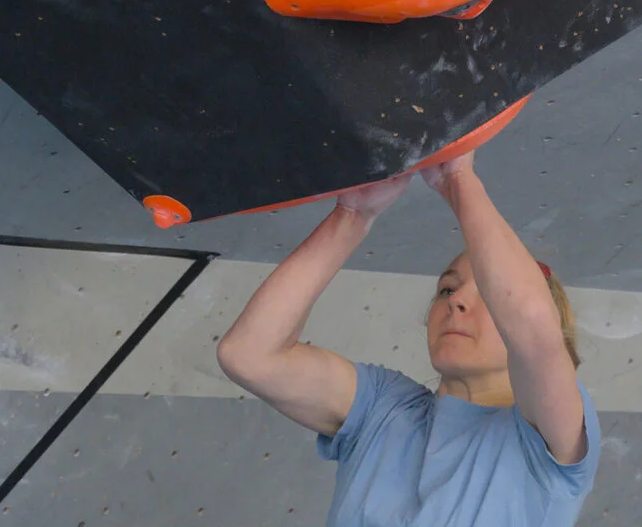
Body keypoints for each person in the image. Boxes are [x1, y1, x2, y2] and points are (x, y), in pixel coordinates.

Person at [216, 150, 601, 526]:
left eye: (486, 292)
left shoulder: (546, 441)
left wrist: (458, 180)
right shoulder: (383, 408)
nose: (456, 303)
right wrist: (352, 215)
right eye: (447, 290)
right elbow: (249, 355)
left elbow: (533, 326)